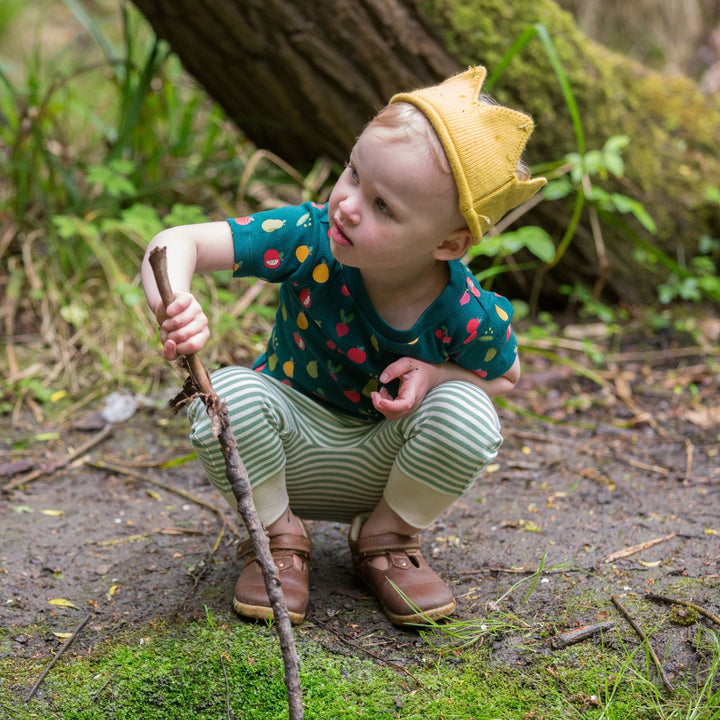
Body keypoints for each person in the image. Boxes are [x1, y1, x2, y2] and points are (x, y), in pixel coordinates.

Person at [141, 66, 546, 627]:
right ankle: (278, 536)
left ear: (447, 243)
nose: (348, 205)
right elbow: (175, 241)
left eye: (384, 207)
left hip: (387, 464)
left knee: (471, 411)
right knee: (227, 394)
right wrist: (174, 302)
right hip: (286, 449)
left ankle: (388, 537)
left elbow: (507, 376)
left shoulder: (464, 311)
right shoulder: (310, 239)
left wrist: (436, 376)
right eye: (354, 173)